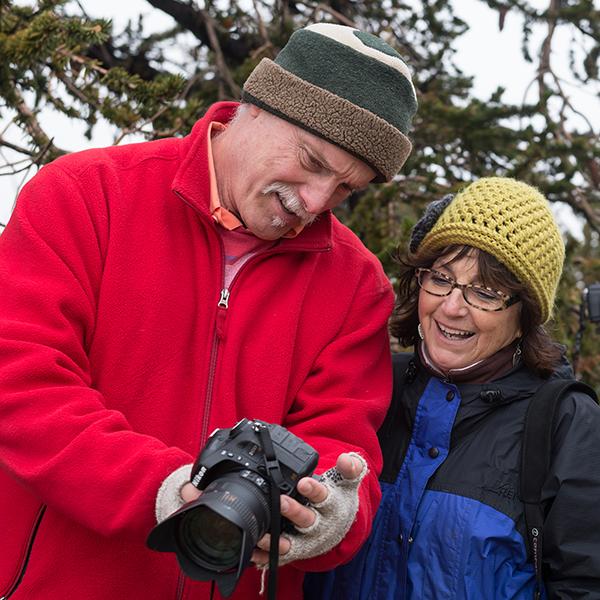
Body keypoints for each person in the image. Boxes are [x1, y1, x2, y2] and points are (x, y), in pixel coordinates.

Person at [0, 23, 418, 600]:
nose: (316, 203)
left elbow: (342, 446)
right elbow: (21, 386)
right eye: (313, 162)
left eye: (347, 189)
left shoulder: (356, 285)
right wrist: (164, 490)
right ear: (257, 106)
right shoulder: (83, 197)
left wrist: (330, 512)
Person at [304, 177, 600, 599]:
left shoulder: (565, 424)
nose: (452, 307)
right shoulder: (368, 386)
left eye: (485, 292)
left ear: (525, 315)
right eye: (441, 278)